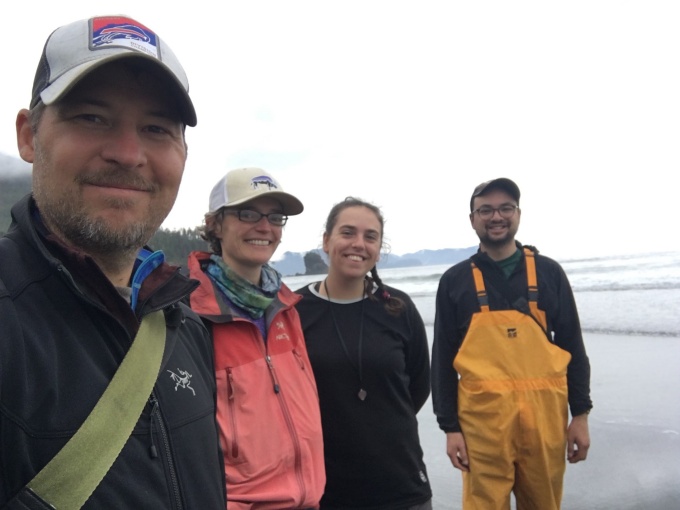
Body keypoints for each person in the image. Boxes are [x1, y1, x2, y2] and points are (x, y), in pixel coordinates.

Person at [0, 16, 226, 509]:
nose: (128, 153)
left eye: (156, 128)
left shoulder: (183, 323)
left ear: (183, 154)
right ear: (28, 136)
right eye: (92, 118)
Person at [431, 178, 593, 509]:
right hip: (482, 424)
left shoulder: (549, 273)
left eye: (506, 208)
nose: (496, 217)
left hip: (544, 418)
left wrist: (581, 415)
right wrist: (450, 428)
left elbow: (573, 347)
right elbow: (442, 359)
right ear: (472, 218)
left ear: (518, 214)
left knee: (544, 503)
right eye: (485, 209)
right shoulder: (455, 281)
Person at [187, 167, 325, 510]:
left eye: (275, 217)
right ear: (215, 224)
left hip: (309, 500)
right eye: (247, 213)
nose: (264, 227)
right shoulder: (189, 314)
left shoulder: (287, 306)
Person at [296, 197, 433, 510]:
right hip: (324, 490)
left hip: (401, 485)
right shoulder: (295, 311)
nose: (358, 244)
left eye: (370, 236)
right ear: (327, 240)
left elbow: (417, 387)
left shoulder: (397, 308)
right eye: (348, 233)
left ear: (379, 248)